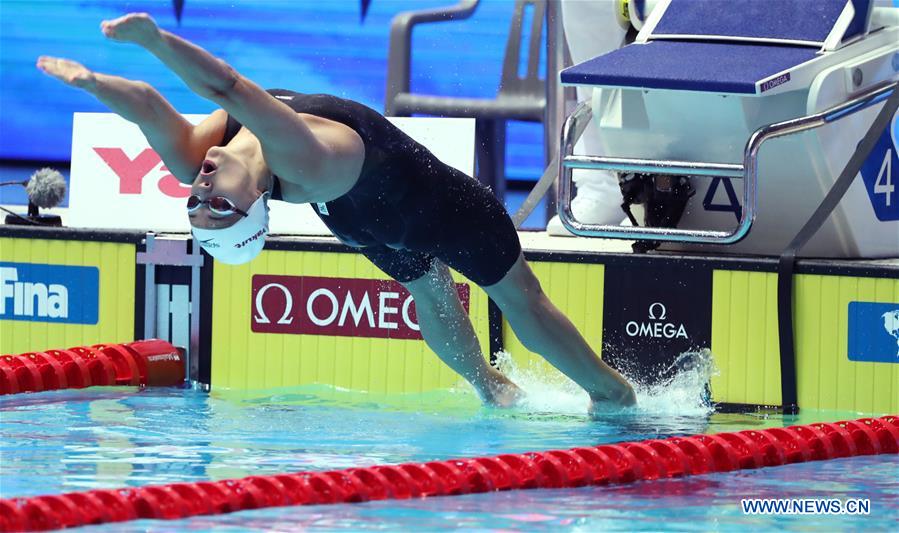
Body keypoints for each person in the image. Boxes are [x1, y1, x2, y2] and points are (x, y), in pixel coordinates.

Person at [37, 12, 635, 412]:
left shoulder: (202, 155)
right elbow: (229, 86)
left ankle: (515, 388)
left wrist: (90, 82)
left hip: (370, 221)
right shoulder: (299, 159)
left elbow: (146, 105)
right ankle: (600, 394)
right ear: (254, 204)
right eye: (217, 205)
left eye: (195, 203)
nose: (201, 188)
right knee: (513, 298)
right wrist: (154, 41)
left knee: (442, 294)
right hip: (436, 209)